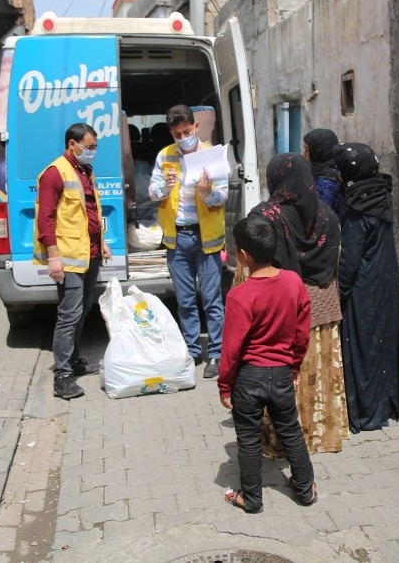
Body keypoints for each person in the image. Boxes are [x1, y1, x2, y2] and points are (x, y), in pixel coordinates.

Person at [251, 153, 348, 455]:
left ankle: (284, 441)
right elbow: (335, 261)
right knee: (319, 372)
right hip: (321, 305)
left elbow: (253, 269)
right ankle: (319, 432)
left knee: (286, 374)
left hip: (282, 308)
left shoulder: (264, 216)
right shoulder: (328, 215)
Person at [218, 215, 316, 513]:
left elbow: (231, 349)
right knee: (290, 431)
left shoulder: (239, 295)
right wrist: (295, 366)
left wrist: (224, 385)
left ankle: (251, 498)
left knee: (247, 439)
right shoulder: (293, 282)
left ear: (244, 256)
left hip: (248, 377)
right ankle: (305, 489)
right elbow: (302, 332)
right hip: (281, 373)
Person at [149, 105, 228, 379]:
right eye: (176, 133)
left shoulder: (211, 155)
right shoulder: (165, 156)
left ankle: (216, 354)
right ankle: (193, 350)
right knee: (184, 301)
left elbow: (223, 197)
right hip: (178, 240)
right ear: (171, 133)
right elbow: (152, 192)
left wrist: (207, 194)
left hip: (206, 240)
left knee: (212, 300)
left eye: (186, 131)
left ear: (195, 127)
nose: (182, 137)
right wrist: (165, 187)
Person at [34, 123, 112, 400]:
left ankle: (75, 360)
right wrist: (53, 257)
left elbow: (88, 212)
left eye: (94, 147)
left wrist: (101, 244)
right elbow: (45, 219)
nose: (92, 152)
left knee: (81, 311)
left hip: (88, 253)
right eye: (89, 147)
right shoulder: (55, 173)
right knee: (68, 316)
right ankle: (62, 376)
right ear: (72, 145)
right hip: (67, 258)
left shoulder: (83, 171)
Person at [333, 143, 399, 432]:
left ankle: (368, 411)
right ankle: (389, 401)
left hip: (364, 285)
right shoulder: (378, 194)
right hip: (386, 277)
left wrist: (339, 294)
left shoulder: (357, 206)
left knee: (364, 344)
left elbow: (350, 261)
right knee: (384, 339)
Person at [303, 128, 343, 217]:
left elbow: (320, 219)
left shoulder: (324, 183)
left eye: (307, 150)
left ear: (318, 151)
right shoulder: (335, 172)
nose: (304, 154)